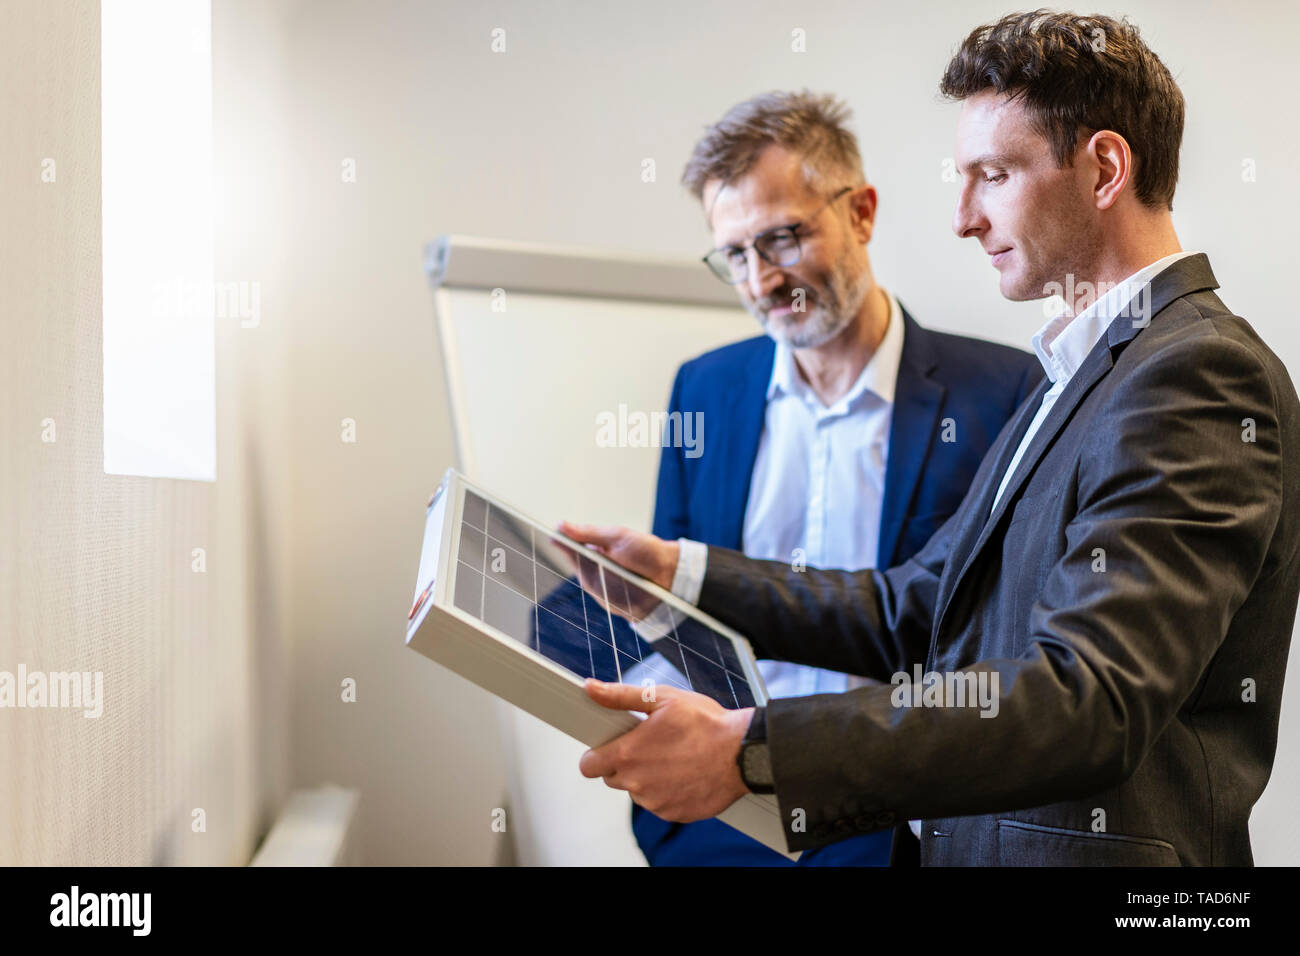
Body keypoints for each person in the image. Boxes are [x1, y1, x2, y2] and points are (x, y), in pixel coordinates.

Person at [558, 10, 1300, 866]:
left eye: (992, 175)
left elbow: (1086, 697)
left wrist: (755, 750)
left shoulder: (1196, 373)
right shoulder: (1080, 372)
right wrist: (679, 570)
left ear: (1103, 168)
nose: (963, 218)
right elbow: (910, 608)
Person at [632, 90, 1038, 866]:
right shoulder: (702, 392)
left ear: (861, 213)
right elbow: (673, 613)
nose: (760, 281)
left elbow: (1000, 655)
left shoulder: (1005, 395)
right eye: (736, 255)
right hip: (719, 823)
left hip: (894, 826)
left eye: (783, 238)